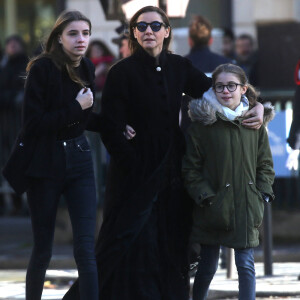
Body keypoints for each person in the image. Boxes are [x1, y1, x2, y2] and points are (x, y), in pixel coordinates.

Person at [64, 6, 264, 300]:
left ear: (167, 31)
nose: (149, 31)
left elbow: (219, 89)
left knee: (171, 238)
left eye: (156, 26)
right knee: (126, 239)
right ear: (133, 32)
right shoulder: (121, 72)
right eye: (142, 26)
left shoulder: (179, 66)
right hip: (134, 171)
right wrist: (132, 165)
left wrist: (257, 104)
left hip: (172, 169)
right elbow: (111, 127)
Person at [2, 10, 102, 300]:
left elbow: (85, 117)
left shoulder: (87, 67)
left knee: (86, 247)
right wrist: (76, 107)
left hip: (80, 159)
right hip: (45, 162)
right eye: (73, 33)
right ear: (59, 37)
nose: (81, 39)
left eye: (85, 33)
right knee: (43, 247)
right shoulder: (42, 68)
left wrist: (118, 127)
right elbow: (33, 124)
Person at [182, 63, 275, 300]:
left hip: (246, 205)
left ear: (243, 89)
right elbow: (191, 169)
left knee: (246, 265)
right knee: (208, 267)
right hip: (212, 208)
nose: (225, 91)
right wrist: (206, 197)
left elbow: (264, 164)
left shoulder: (255, 125)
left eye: (231, 86)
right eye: (219, 86)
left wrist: (261, 194)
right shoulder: (202, 126)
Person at [181, 15, 231, 133]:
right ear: (210, 40)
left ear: (190, 41)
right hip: (222, 126)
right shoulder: (227, 64)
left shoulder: (180, 65)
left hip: (190, 129)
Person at [0, 34, 28, 215]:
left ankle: (21, 202)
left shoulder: (25, 65)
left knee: (18, 158)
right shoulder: (3, 66)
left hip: (19, 121)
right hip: (4, 121)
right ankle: (6, 202)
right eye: (9, 43)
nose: (11, 46)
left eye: (15, 43)